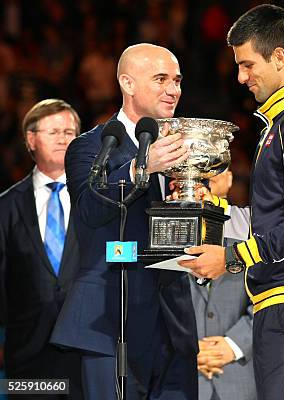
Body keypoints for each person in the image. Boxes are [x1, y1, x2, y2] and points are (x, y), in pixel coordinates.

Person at [178, 5, 284, 399]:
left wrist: (233, 259)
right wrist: (216, 210)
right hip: (280, 298)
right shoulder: (280, 126)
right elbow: (275, 221)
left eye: (248, 64)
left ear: (280, 58)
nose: (241, 77)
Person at [51, 43, 198, 399]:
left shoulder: (184, 149)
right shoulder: (91, 147)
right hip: (110, 321)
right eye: (161, 79)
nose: (173, 89)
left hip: (172, 327)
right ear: (127, 84)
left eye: (177, 80)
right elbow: (90, 207)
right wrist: (141, 168)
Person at [0, 99, 83, 399]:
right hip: (27, 356)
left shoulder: (98, 201)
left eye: (69, 132)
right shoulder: (6, 207)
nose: (63, 138)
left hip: (87, 354)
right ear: (31, 139)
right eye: (53, 131)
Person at [190, 170, 256, 400]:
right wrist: (188, 350)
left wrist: (234, 345)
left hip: (240, 376)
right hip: (181, 377)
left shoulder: (254, 231)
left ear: (230, 178)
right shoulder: (166, 230)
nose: (208, 179)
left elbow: (270, 293)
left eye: (216, 171)